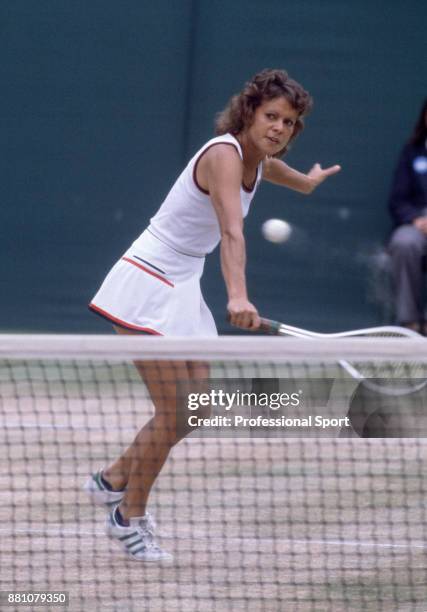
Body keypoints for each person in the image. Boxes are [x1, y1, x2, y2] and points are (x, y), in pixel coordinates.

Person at [84, 68, 341, 562]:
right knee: (174, 410)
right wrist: (237, 297)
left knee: (193, 410)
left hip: (181, 282)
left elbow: (282, 175)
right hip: (146, 279)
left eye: (288, 122)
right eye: (271, 116)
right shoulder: (224, 154)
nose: (279, 128)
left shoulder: (258, 160)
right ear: (248, 113)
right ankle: (126, 516)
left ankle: (111, 478)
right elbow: (231, 233)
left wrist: (308, 183)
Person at [388, 98, 427, 333]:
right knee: (403, 242)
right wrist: (417, 219)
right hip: (418, 223)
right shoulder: (412, 151)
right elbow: (397, 200)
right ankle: (409, 324)